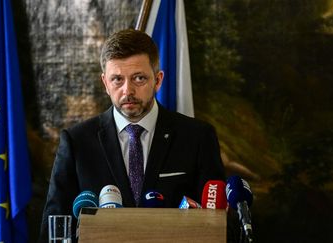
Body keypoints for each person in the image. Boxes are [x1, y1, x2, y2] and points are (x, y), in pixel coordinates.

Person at [38, 28, 226, 242]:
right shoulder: (77, 142)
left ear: (158, 80)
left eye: (138, 78)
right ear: (105, 84)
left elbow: (217, 225)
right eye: (117, 79)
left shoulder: (198, 137)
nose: (127, 90)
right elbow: (53, 228)